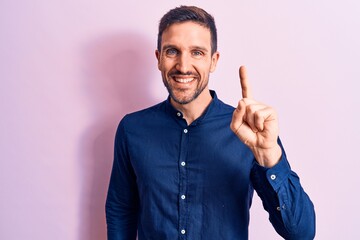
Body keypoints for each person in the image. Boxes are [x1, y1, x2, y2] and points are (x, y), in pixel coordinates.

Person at [106, 5, 315, 240]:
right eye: (172, 51)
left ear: (213, 61)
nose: (183, 66)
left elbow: (301, 233)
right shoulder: (132, 129)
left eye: (197, 52)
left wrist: (270, 158)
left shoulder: (250, 129)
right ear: (158, 58)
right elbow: (121, 211)